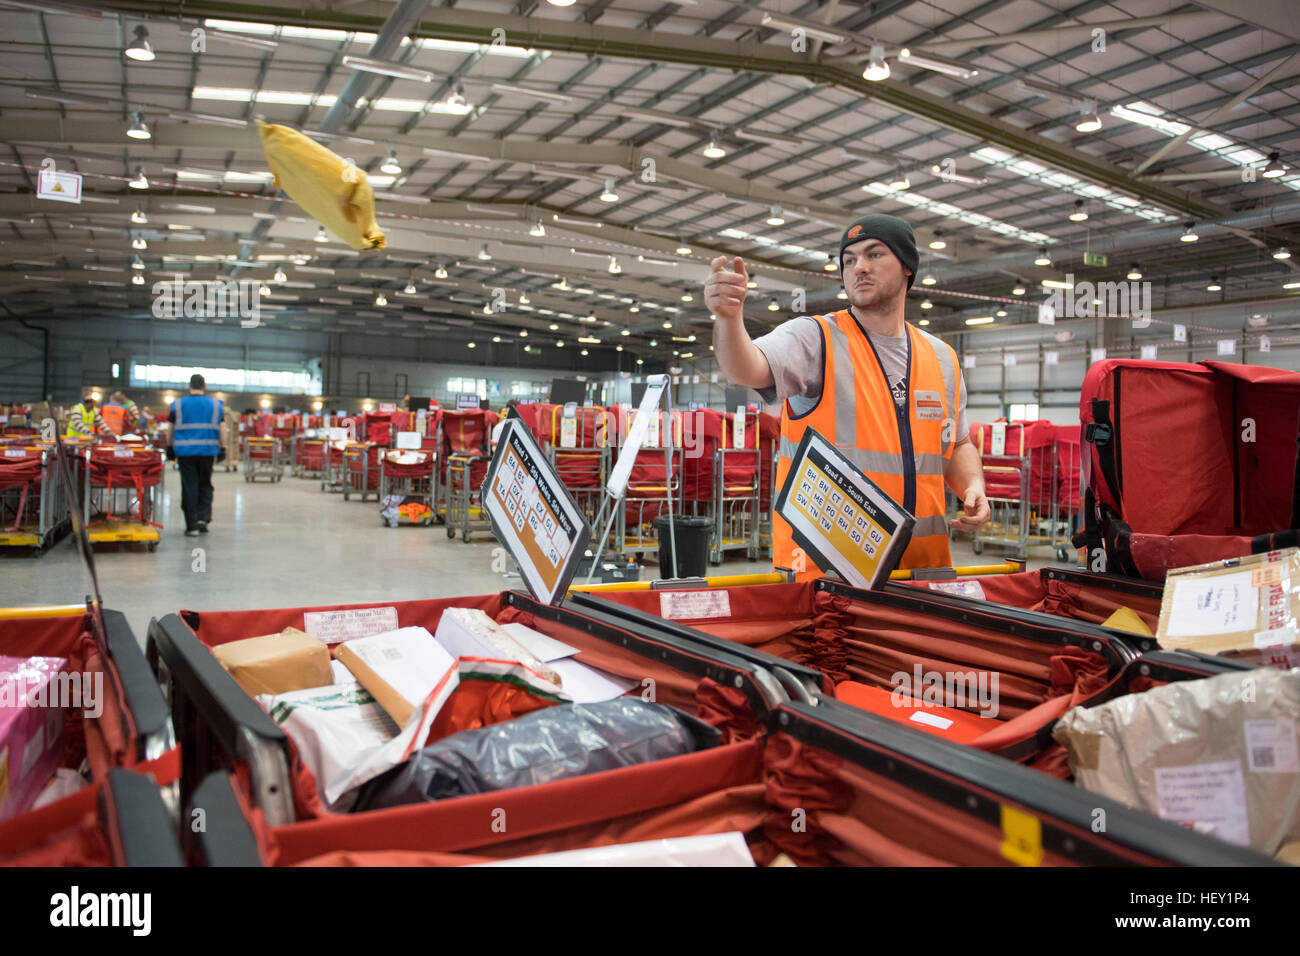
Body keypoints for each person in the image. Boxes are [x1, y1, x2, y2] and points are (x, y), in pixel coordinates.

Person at [706, 213, 990, 578]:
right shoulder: (816, 339)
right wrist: (728, 320)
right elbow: (744, 368)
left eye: (874, 255)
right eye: (849, 260)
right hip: (828, 578)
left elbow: (957, 443)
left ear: (907, 267)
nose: (859, 268)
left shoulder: (942, 358)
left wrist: (975, 486)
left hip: (922, 574)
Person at [166, 373, 226, 537]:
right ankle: (203, 520)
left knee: (189, 486)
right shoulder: (216, 405)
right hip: (208, 452)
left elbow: (170, 429)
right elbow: (222, 428)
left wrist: (169, 447)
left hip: (185, 453)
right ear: (204, 386)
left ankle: (191, 526)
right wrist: (223, 447)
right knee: (205, 485)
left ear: (189, 386)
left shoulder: (177, 405)